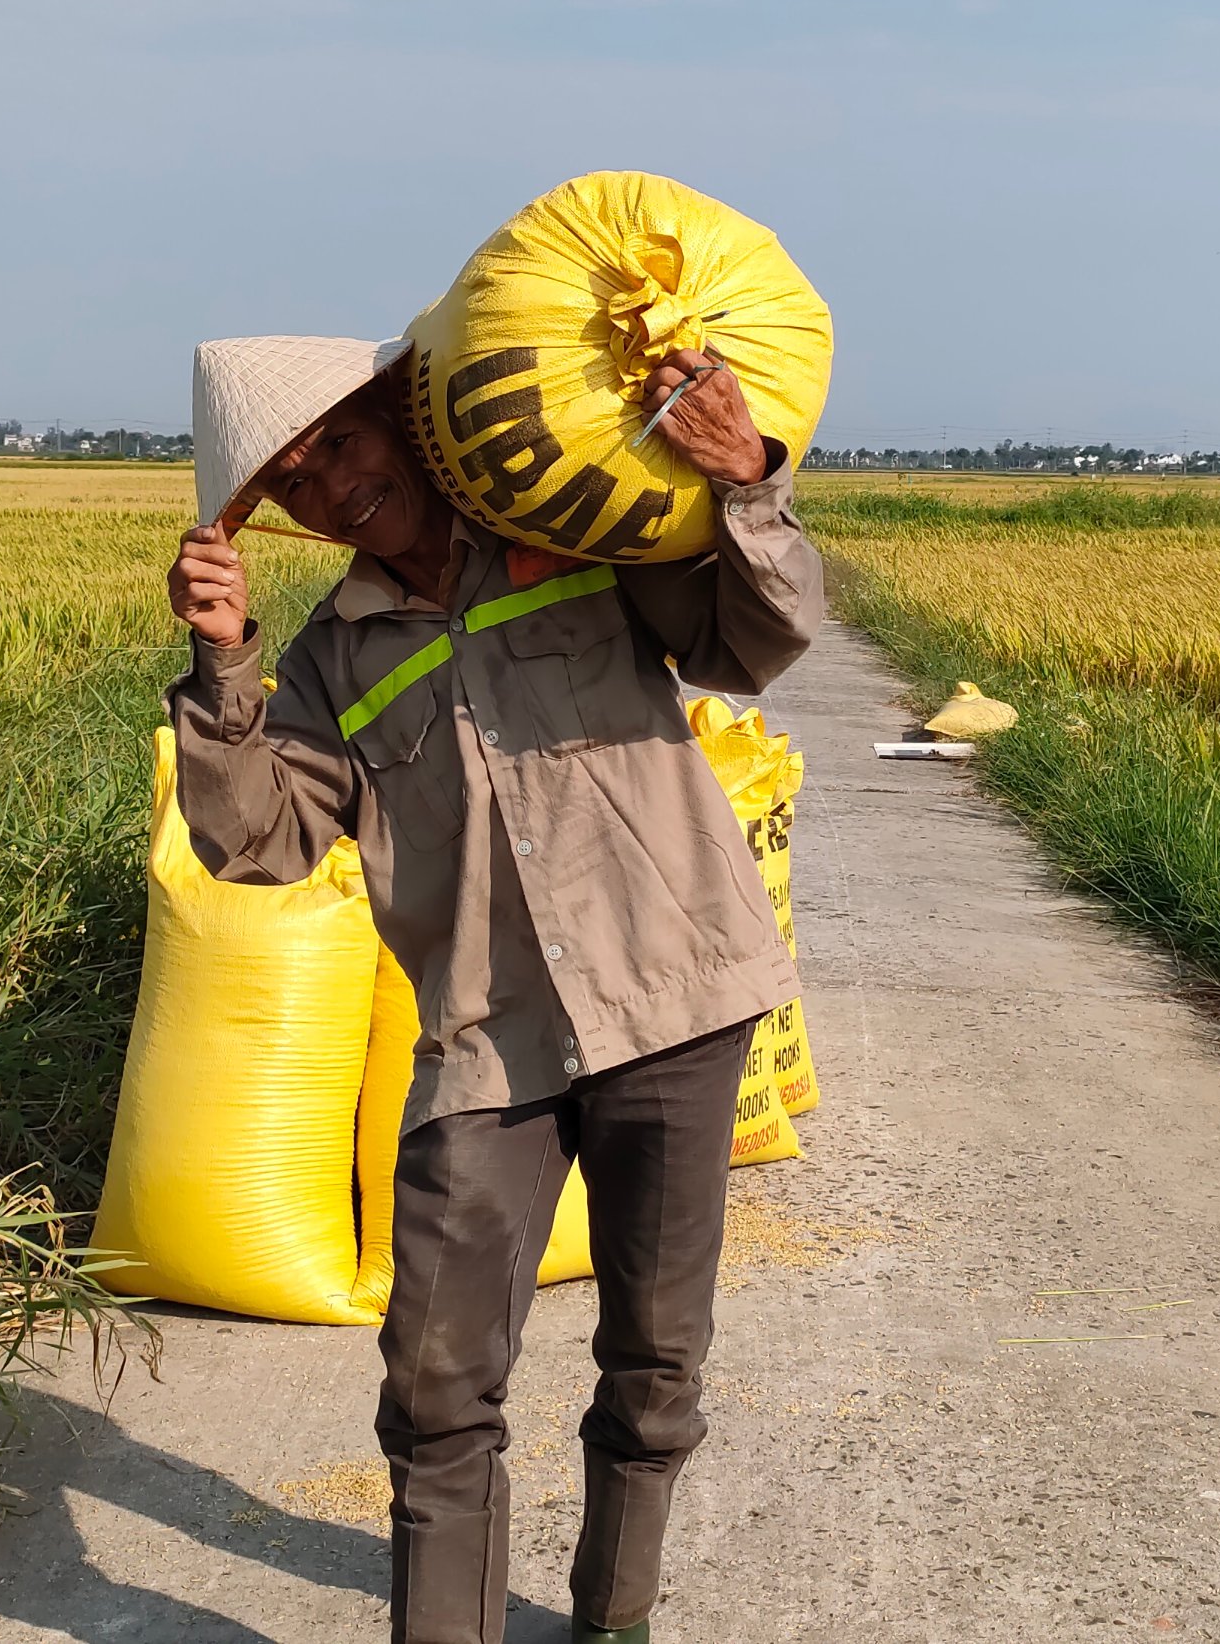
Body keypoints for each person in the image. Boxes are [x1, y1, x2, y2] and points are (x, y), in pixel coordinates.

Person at [163, 334, 822, 1644]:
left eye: (340, 441)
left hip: (673, 997)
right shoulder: (327, 663)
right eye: (294, 479)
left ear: (400, 420)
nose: (332, 484)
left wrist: (747, 479)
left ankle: (612, 1621)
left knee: (652, 1368)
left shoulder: (568, 533)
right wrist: (223, 668)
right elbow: (258, 842)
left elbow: (755, 643)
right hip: (487, 1045)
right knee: (434, 1388)